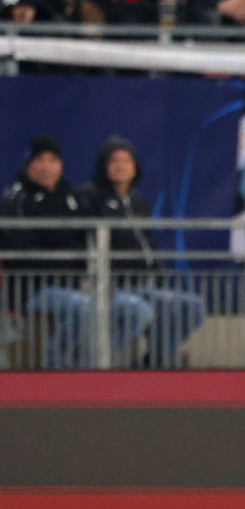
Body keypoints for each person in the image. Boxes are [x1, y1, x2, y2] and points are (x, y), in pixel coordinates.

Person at [0, 135, 153, 369]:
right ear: (28, 164)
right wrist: (69, 255)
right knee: (84, 308)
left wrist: (81, 271)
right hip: (34, 289)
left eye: (53, 160)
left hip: (79, 285)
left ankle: (87, 366)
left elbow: (88, 238)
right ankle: (52, 366)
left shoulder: (71, 194)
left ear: (60, 165)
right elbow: (25, 251)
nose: (46, 167)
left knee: (138, 310)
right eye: (40, 160)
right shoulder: (15, 198)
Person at [82, 136, 206, 368]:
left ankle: (152, 364)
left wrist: (158, 275)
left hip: (146, 285)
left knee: (193, 307)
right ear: (103, 166)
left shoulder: (138, 201)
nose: (120, 166)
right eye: (114, 161)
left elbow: (146, 243)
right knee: (139, 311)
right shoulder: (90, 196)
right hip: (114, 286)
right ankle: (91, 365)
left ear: (135, 167)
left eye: (126, 161)